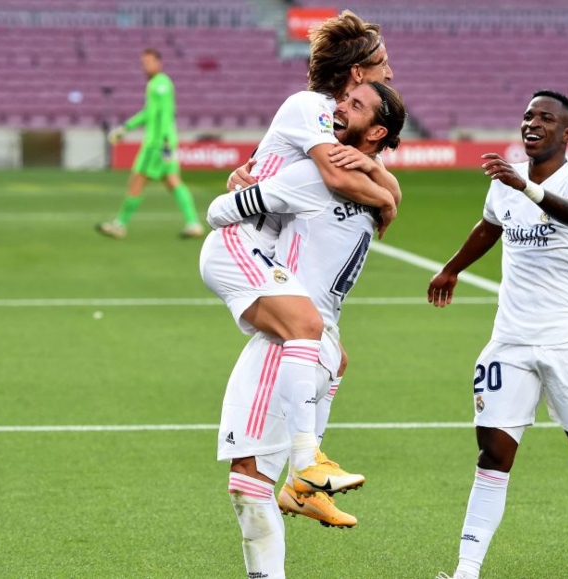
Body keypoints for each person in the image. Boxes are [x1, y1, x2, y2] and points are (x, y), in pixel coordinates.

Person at [428, 90, 568, 579]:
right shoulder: (505, 183)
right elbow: (490, 226)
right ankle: (467, 570)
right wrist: (452, 269)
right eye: (528, 116)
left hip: (567, 340)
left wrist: (523, 187)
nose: (532, 123)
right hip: (509, 341)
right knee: (493, 454)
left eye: (545, 118)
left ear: (566, 133)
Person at [209, 80, 406, 579]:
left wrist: (240, 195)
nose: (339, 107)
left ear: (377, 131)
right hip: (322, 344)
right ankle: (306, 479)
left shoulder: (314, 175)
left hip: (291, 343)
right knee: (256, 482)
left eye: (355, 106)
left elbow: (219, 215)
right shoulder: (369, 185)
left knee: (249, 483)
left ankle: (306, 467)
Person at [97, 48, 203, 240]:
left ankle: (120, 225)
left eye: (148, 63)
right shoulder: (158, 84)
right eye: (143, 63)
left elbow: (164, 114)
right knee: (172, 181)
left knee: (137, 180)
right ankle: (193, 223)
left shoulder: (159, 84)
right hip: (165, 141)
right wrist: (126, 127)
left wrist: (163, 142)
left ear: (158, 63)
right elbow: (149, 112)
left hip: (156, 144)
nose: (145, 67)